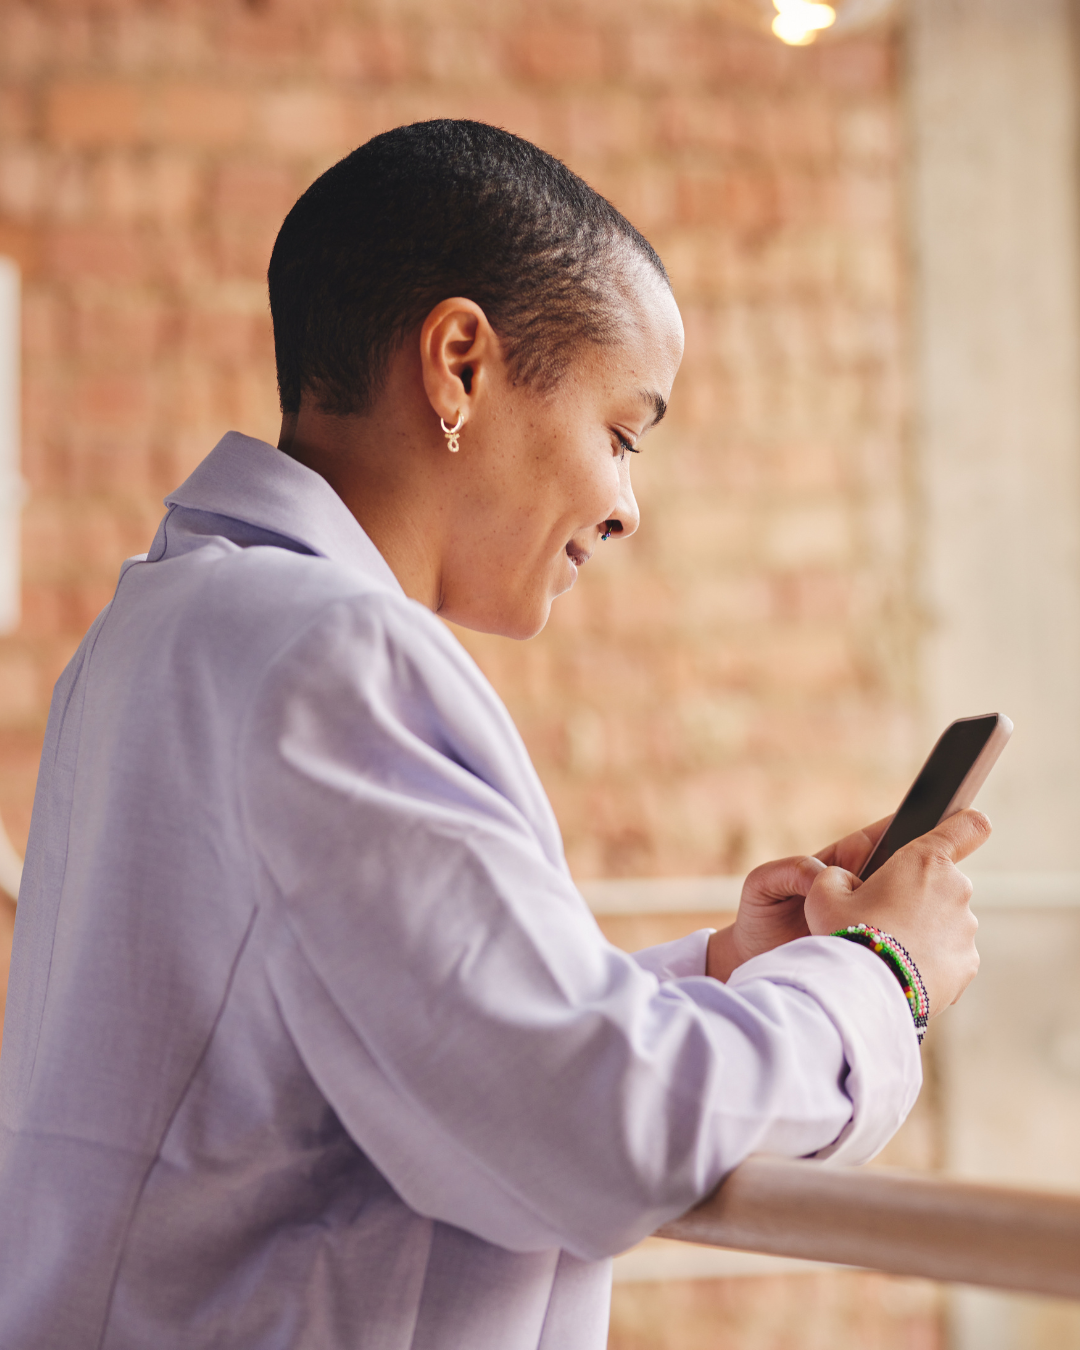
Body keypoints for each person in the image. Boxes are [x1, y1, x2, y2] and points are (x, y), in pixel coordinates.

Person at [0, 120, 987, 1350]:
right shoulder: (331, 655)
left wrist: (731, 975)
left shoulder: (165, 625)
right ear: (460, 362)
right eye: (623, 434)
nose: (625, 506)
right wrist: (879, 978)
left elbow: (400, 1062)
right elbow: (596, 1131)